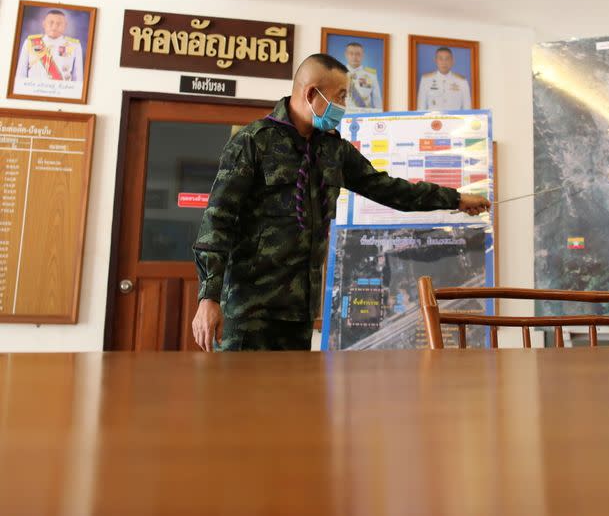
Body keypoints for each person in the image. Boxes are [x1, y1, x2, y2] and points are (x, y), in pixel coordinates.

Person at [191, 53, 490, 352]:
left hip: (300, 312)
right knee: (235, 397)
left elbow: (389, 189)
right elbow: (217, 221)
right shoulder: (253, 142)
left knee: (290, 398)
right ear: (311, 94)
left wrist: (456, 199)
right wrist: (209, 297)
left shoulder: (333, 150)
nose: (344, 106)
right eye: (341, 96)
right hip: (248, 310)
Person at [15, 9, 83, 82]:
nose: (54, 26)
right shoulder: (30, 42)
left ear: (65, 26)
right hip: (33, 90)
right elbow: (20, 75)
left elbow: (78, 79)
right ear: (44, 24)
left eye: (59, 23)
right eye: (51, 22)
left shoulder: (74, 46)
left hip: (61, 91)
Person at [344, 42, 382, 111]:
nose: (354, 57)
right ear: (346, 55)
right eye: (351, 53)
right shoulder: (338, 73)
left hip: (364, 116)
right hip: (343, 115)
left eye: (358, 54)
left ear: (363, 55)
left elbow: (377, 100)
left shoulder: (371, 75)